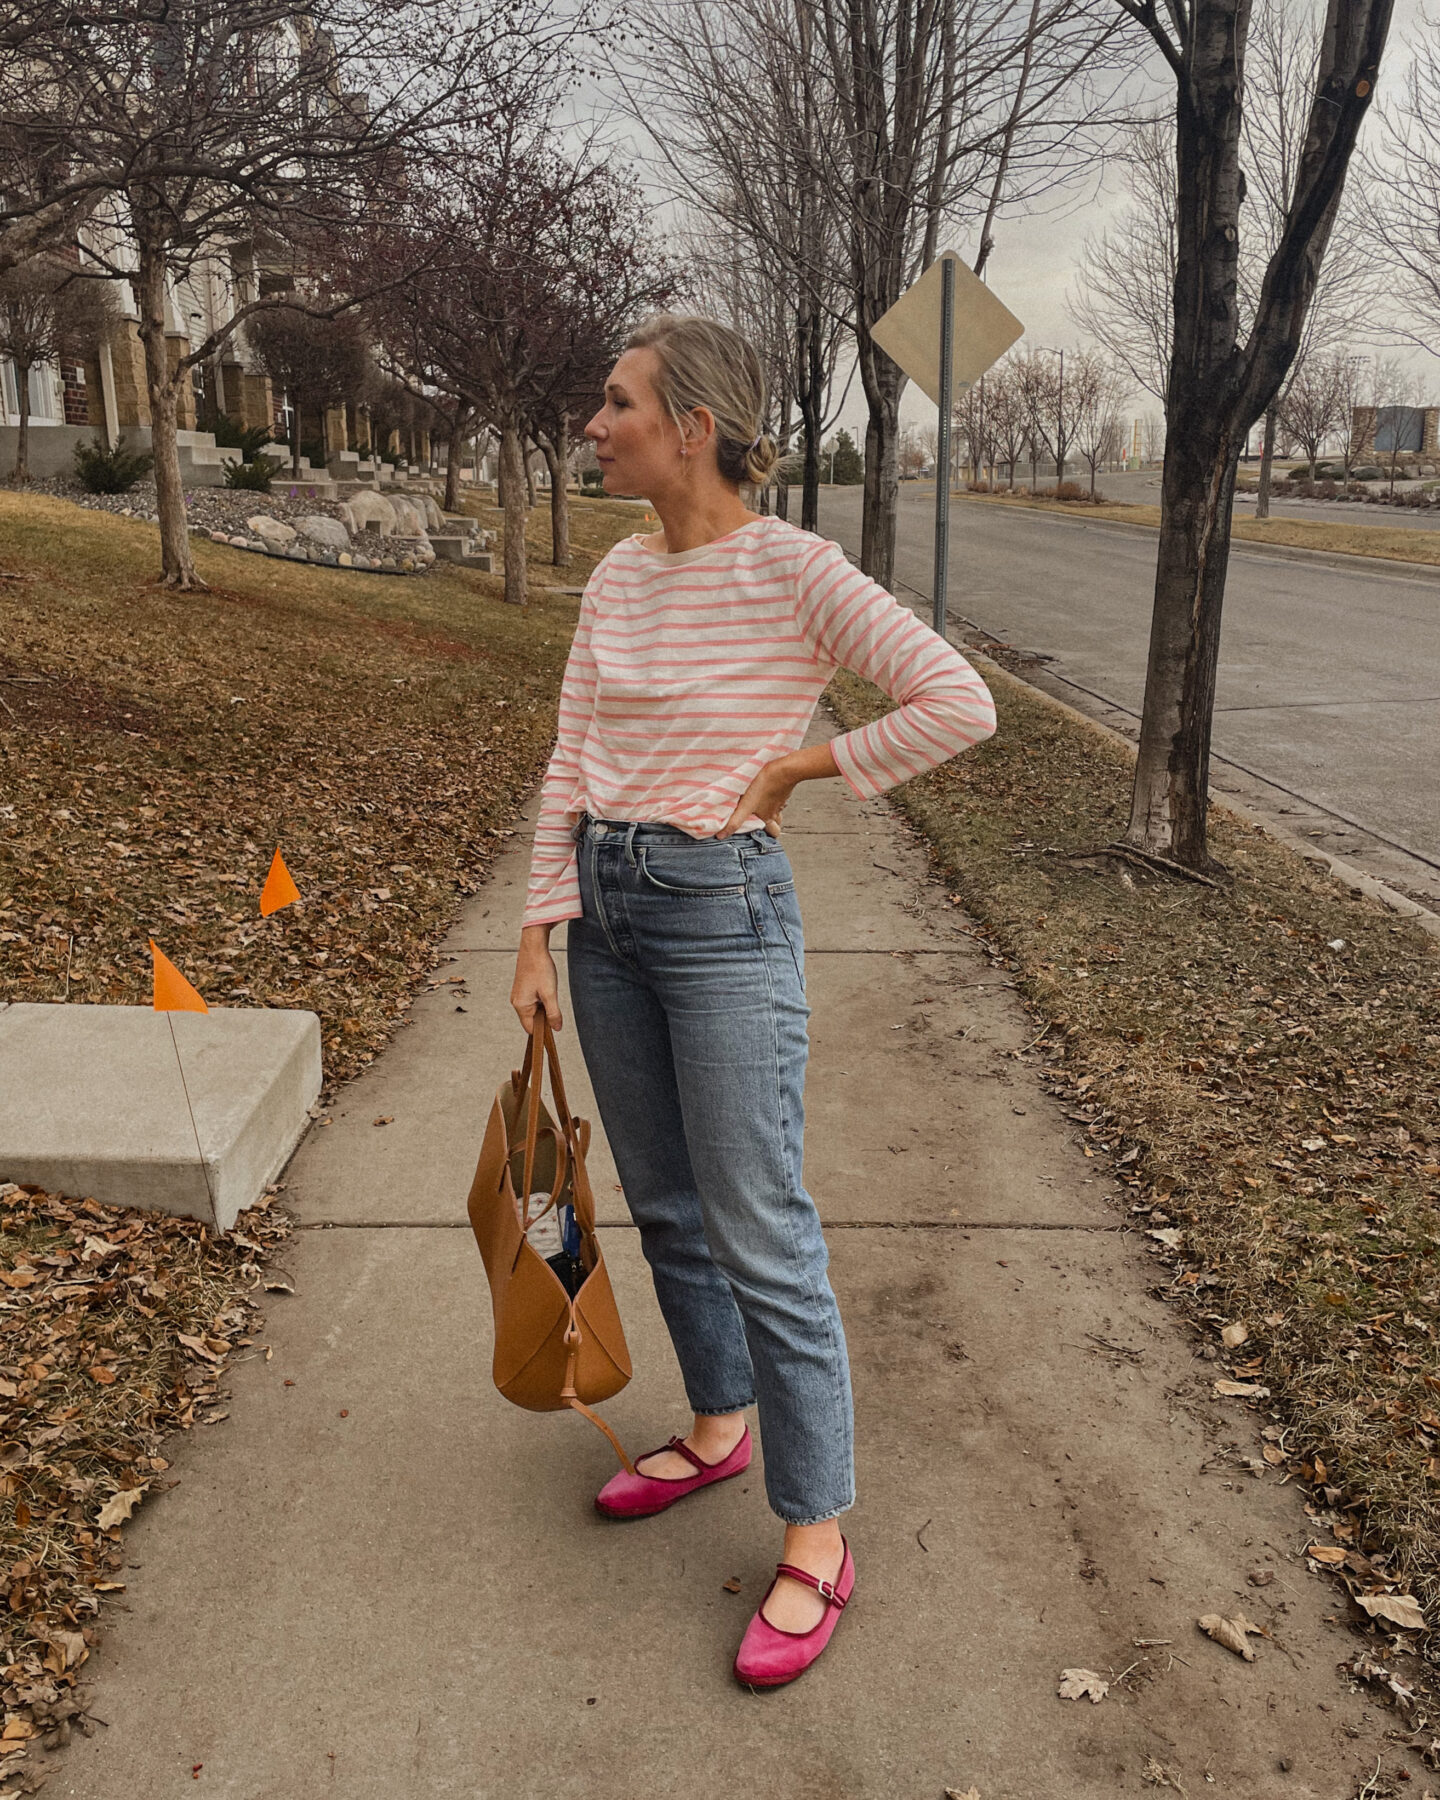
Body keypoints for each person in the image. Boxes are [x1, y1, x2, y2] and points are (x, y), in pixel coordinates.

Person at [510, 313, 997, 1687]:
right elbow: (570, 756)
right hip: (605, 916)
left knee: (760, 1227)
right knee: (667, 1207)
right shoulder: (614, 575)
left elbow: (958, 703)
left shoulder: (793, 570)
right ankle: (719, 1425)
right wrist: (539, 934)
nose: (594, 426)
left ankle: (817, 1533)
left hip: (723, 918)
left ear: (691, 429)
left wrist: (802, 770)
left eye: (617, 404)